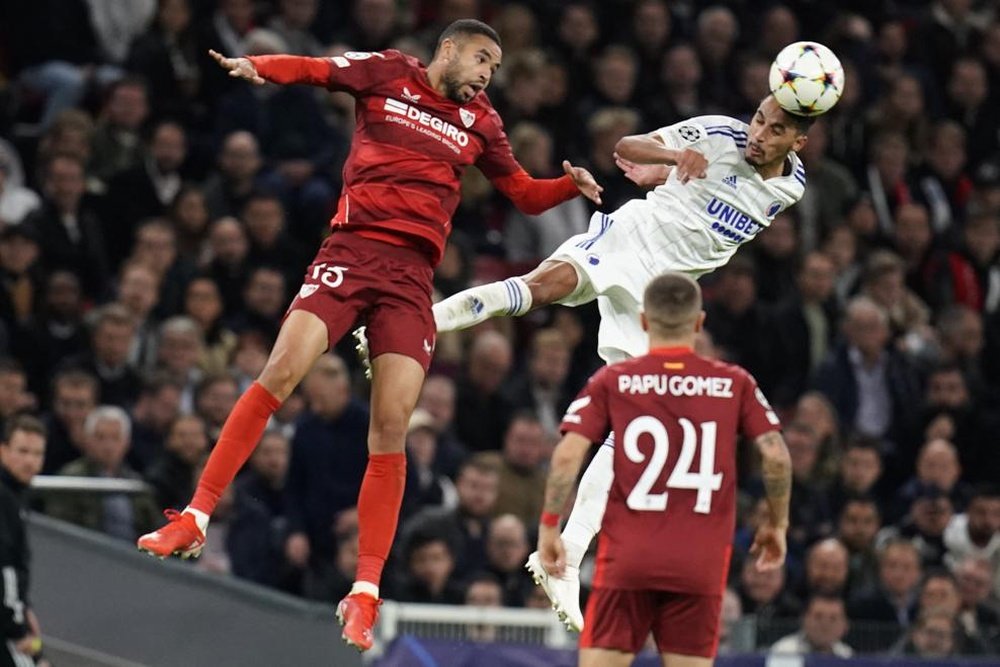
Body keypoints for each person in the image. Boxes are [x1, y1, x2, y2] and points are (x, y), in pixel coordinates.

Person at [135, 18, 600, 651]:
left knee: (391, 429)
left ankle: (364, 593)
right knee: (279, 374)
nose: (488, 73)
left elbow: (521, 192)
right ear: (448, 50)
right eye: (482, 58)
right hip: (351, 252)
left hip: (411, 280)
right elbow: (319, 69)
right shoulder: (388, 72)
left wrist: (566, 188)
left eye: (495, 66)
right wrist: (259, 67)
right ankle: (194, 517)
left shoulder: (482, 121)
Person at [438, 95, 810, 630]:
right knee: (542, 289)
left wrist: (666, 179)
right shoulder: (719, 134)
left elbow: (721, 202)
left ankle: (562, 555)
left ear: (798, 142)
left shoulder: (791, 186)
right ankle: (423, 325)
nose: (759, 134)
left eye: (775, 130)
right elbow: (626, 146)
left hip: (658, 292)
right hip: (626, 240)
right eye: (758, 119)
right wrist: (669, 159)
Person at [535, 273, 792, 666]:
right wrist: (777, 525)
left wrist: (552, 525)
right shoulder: (733, 383)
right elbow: (775, 456)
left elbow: (568, 453)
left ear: (643, 322)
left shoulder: (615, 380)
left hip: (629, 560)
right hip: (699, 563)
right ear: (699, 322)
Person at [0, 416, 47, 667]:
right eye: (23, 451)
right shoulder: (4, 499)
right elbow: (5, 569)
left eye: (38, 453)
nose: (30, 461)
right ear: (3, 450)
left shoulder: (16, 498)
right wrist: (18, 629)